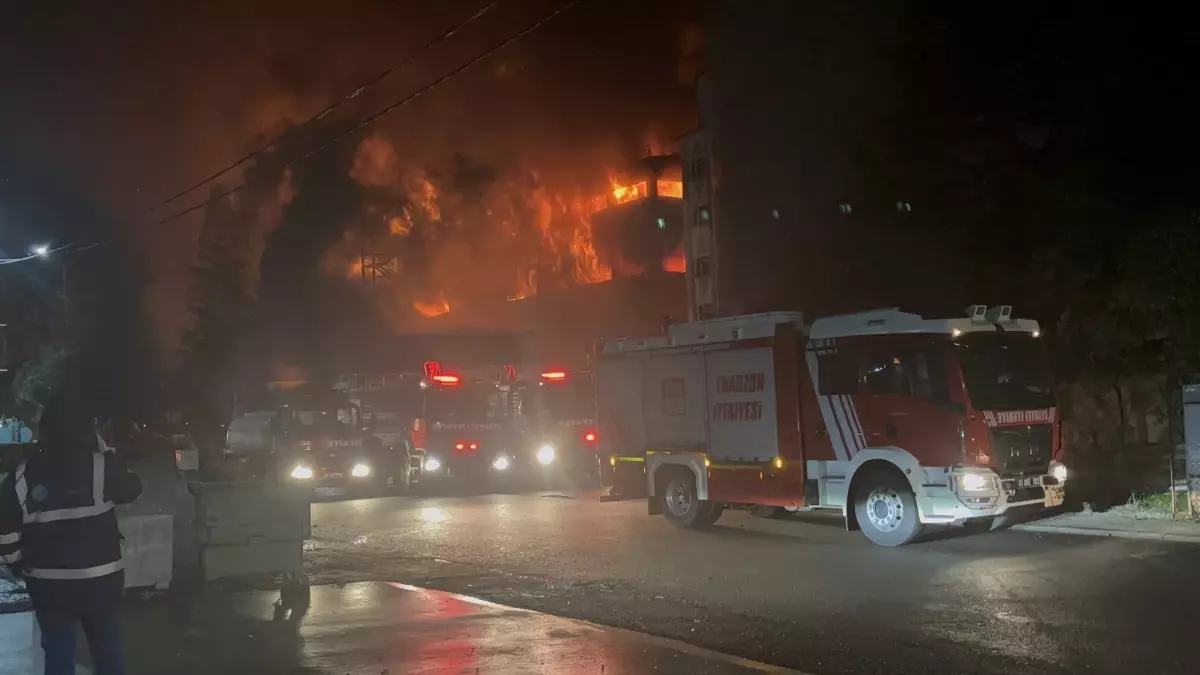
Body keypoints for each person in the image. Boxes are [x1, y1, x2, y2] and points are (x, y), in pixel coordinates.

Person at [0, 390, 142, 675]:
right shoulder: (101, 465)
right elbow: (132, 488)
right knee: (109, 658)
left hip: (50, 588)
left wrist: (18, 564)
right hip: (101, 584)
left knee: (58, 660)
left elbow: (5, 529)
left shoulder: (22, 474)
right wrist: (106, 451)